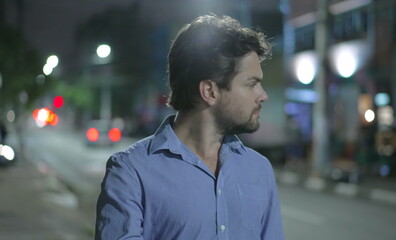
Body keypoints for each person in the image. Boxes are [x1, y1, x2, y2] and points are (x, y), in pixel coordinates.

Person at [95, 14, 284, 240]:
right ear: (209, 91)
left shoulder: (259, 170)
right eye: (252, 83)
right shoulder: (130, 172)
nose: (263, 95)